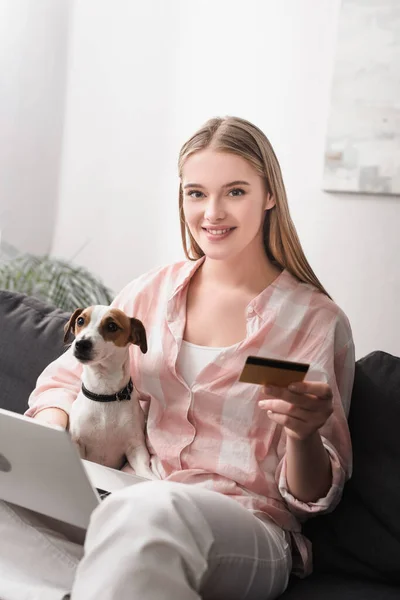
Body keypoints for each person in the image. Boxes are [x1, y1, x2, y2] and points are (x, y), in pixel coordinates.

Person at [0, 116, 355, 600]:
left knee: (152, 511)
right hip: (122, 500)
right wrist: (54, 429)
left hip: (244, 524)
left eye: (234, 191)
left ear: (269, 194)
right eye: (196, 193)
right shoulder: (150, 292)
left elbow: (314, 499)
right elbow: (65, 379)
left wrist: (303, 433)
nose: (212, 211)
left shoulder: (315, 320)